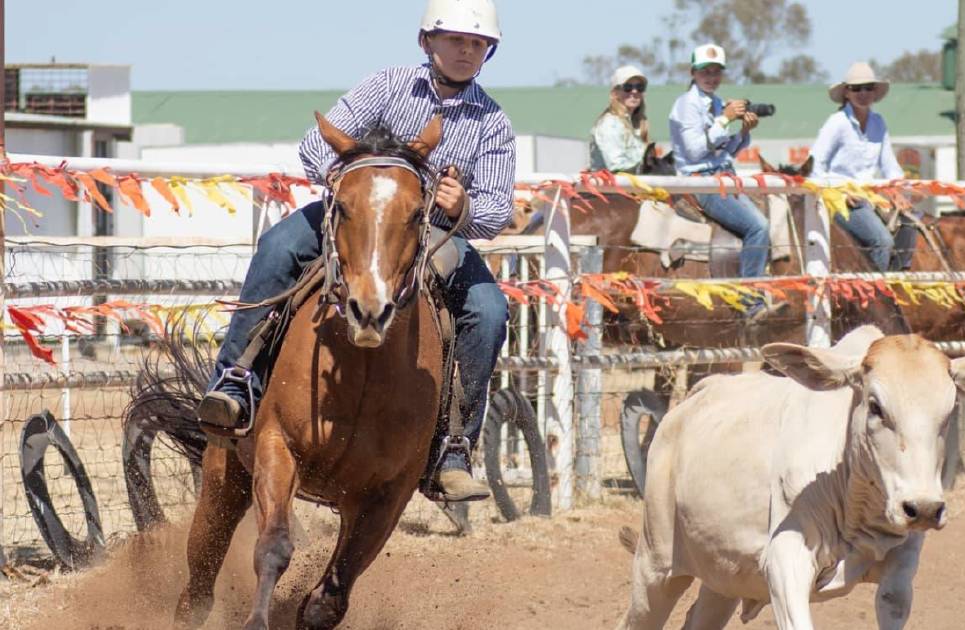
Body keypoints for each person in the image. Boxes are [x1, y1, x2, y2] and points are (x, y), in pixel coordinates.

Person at [196, 0, 514, 502]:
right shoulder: (386, 85)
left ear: (488, 53)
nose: (466, 50)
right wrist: (341, 179)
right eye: (455, 39)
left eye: (477, 43)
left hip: (430, 232)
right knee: (278, 246)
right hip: (354, 214)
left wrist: (464, 205)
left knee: (490, 309)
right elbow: (315, 145)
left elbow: (498, 210)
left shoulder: (492, 122)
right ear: (427, 42)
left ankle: (454, 446)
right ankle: (236, 380)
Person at [669, 44, 771, 311]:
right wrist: (724, 120)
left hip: (723, 176)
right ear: (693, 73)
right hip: (701, 181)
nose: (711, 77)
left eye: (716, 71)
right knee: (758, 227)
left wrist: (744, 133)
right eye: (705, 71)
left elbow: (726, 152)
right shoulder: (686, 105)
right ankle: (750, 301)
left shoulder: (716, 103)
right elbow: (695, 151)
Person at [811, 61, 915, 272]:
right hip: (842, 200)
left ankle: (897, 282)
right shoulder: (837, 122)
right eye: (856, 88)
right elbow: (814, 164)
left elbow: (890, 167)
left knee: (912, 225)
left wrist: (897, 191)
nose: (863, 93)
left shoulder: (879, 123)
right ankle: (871, 299)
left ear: (875, 92)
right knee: (882, 240)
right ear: (847, 93)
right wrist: (837, 192)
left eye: (868, 87)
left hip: (871, 197)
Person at [589, 65, 650, 173]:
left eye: (640, 87)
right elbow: (617, 167)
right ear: (615, 93)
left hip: (631, 187)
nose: (635, 92)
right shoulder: (609, 123)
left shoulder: (637, 124)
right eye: (628, 87)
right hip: (609, 189)